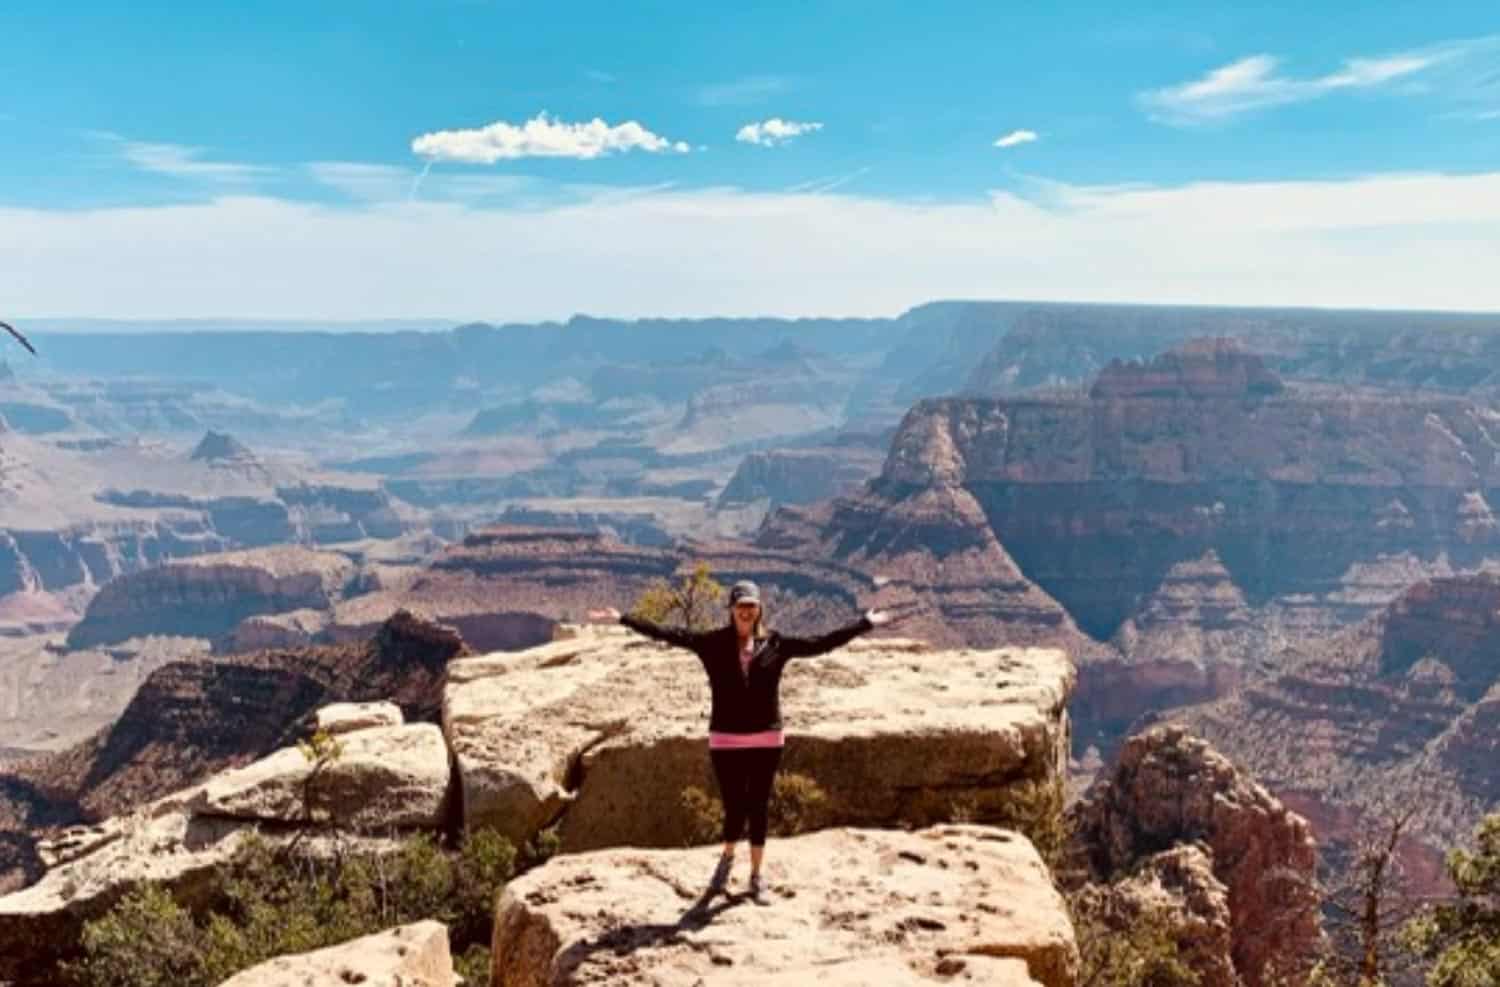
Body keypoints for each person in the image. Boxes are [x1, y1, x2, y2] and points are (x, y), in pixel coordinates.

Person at [588, 580, 892, 905]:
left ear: (759, 608)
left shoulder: (776, 643)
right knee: (734, 807)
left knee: (758, 806)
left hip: (767, 736)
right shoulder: (712, 643)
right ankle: (727, 858)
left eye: (751, 606)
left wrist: (864, 624)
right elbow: (667, 634)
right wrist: (623, 618)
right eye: (740, 606)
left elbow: (821, 643)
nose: (746, 612)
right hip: (726, 738)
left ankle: (756, 877)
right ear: (732, 610)